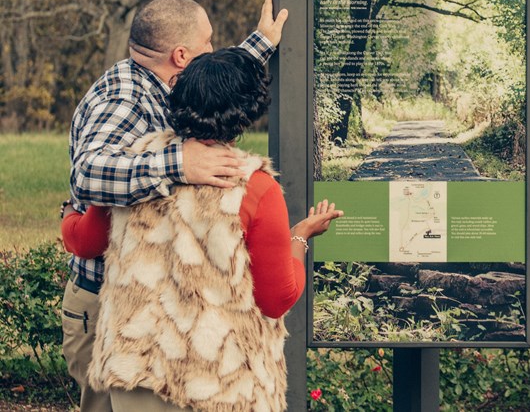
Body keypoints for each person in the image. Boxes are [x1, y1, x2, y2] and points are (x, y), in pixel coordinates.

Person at [61, 0, 287, 412]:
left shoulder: (164, 81)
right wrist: (177, 162)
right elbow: (88, 175)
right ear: (181, 56)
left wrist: (257, 46)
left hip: (150, 304)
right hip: (106, 304)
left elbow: (212, 85)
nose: (213, 48)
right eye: (209, 42)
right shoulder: (124, 99)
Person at [83, 48, 342, 411]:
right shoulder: (255, 187)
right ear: (245, 115)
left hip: (137, 368)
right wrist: (299, 237)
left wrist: (69, 212)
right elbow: (277, 298)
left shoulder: (139, 160)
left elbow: (84, 240)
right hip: (218, 380)